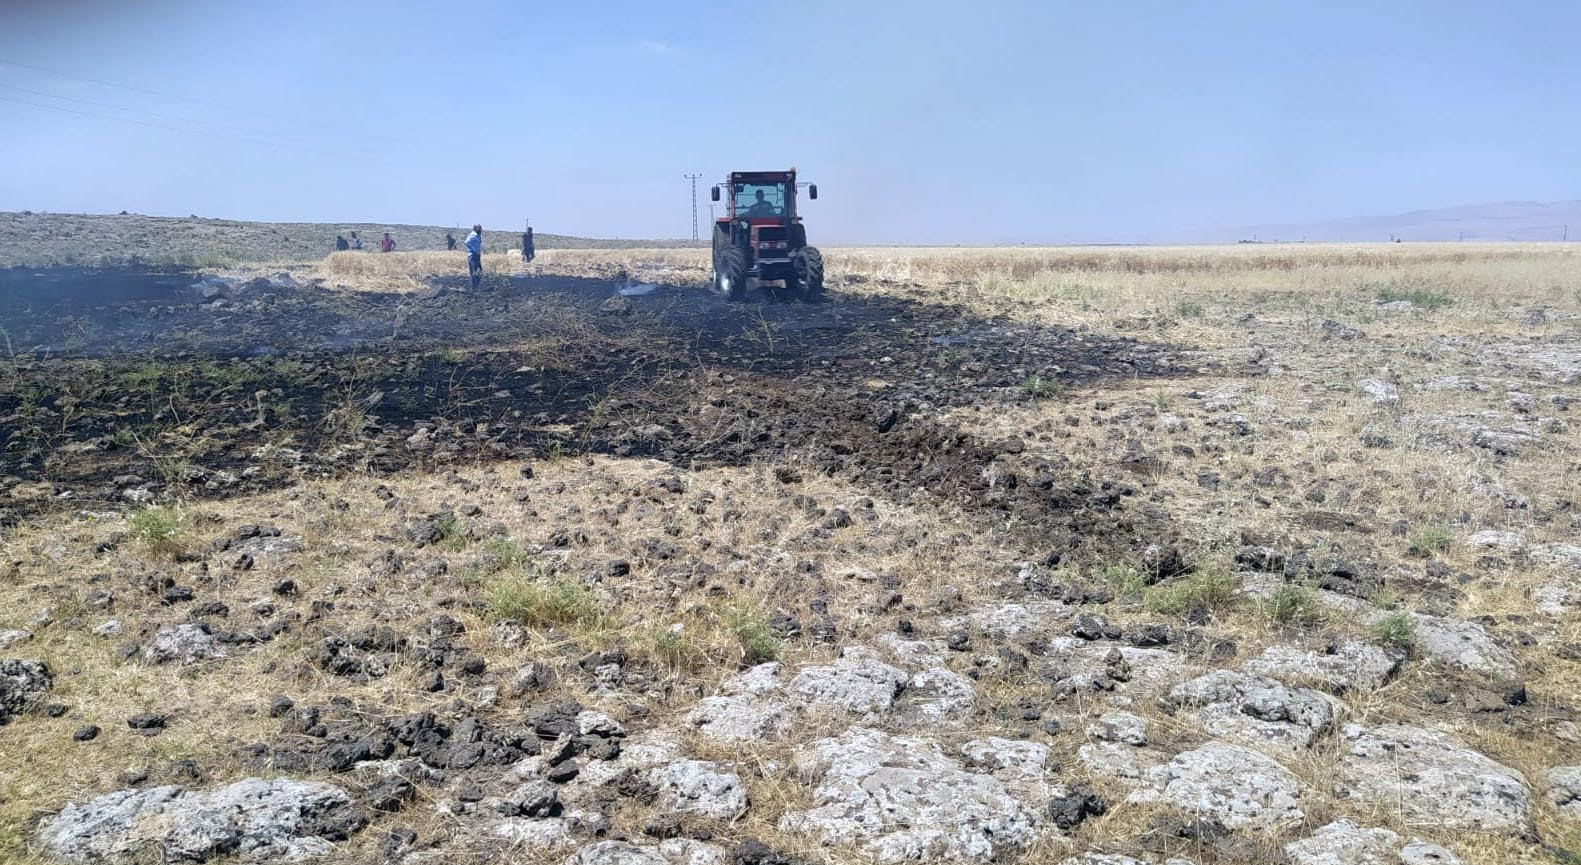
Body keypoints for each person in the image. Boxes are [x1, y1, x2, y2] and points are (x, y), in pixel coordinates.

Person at [465, 224, 483, 290]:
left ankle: (475, 287)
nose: (481, 229)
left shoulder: (478, 236)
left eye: (481, 228)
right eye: (479, 228)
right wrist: (474, 250)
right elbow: (466, 242)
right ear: (475, 228)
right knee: (474, 273)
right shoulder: (473, 235)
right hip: (472, 256)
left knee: (479, 272)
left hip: (477, 256)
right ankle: (473, 289)